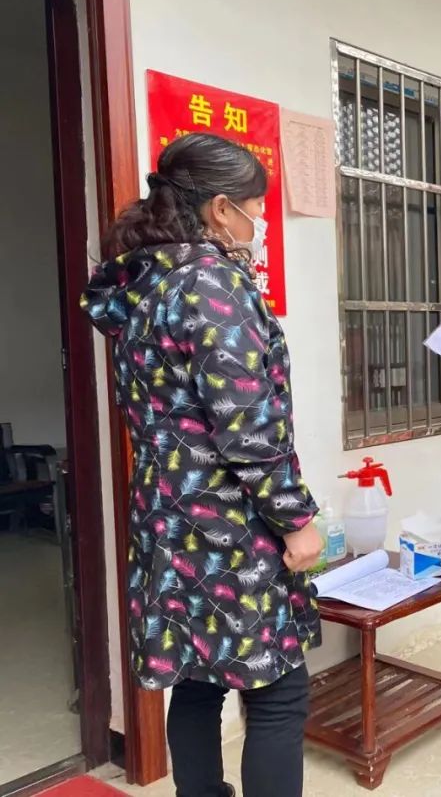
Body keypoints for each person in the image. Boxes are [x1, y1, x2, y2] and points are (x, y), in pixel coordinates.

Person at [82, 133, 323, 797]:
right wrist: (296, 518)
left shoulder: (143, 282)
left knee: (196, 677)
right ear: (221, 208)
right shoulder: (210, 282)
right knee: (277, 690)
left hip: (166, 519)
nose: (260, 220)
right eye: (255, 206)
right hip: (227, 526)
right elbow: (246, 427)